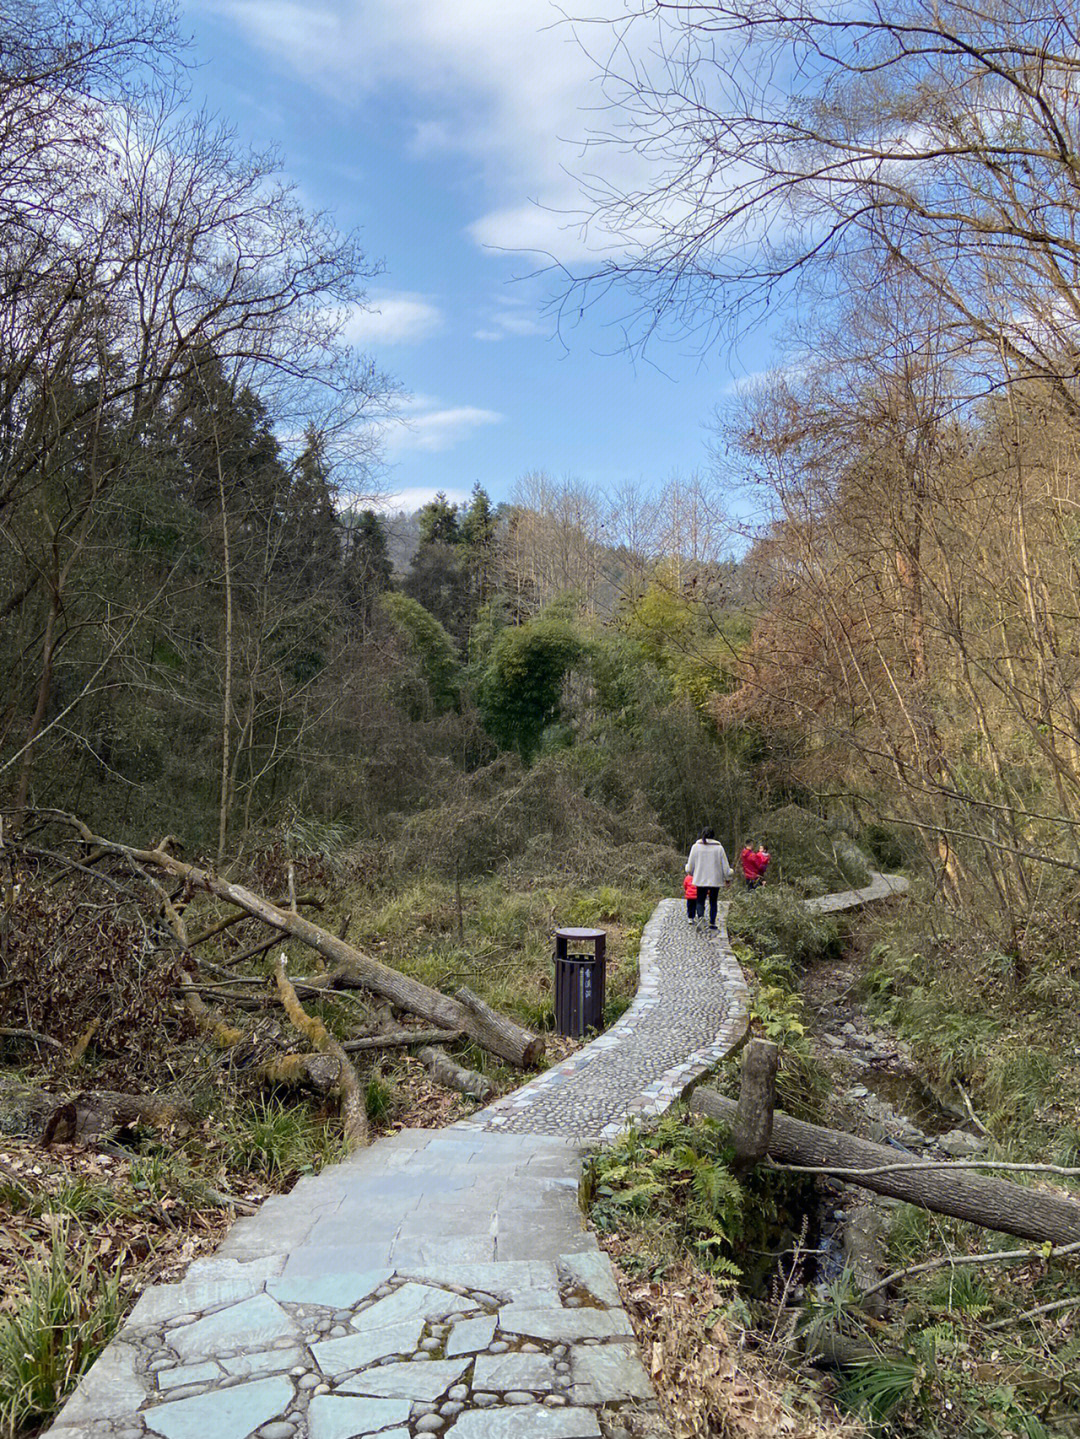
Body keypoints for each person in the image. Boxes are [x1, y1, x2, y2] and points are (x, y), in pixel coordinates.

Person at [685, 827, 732, 929]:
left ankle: (701, 917)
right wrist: (727, 878)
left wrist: (692, 873)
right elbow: (725, 866)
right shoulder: (719, 848)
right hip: (715, 879)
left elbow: (690, 866)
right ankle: (712, 922)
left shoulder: (696, 847)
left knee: (700, 900)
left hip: (701, 879)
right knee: (713, 901)